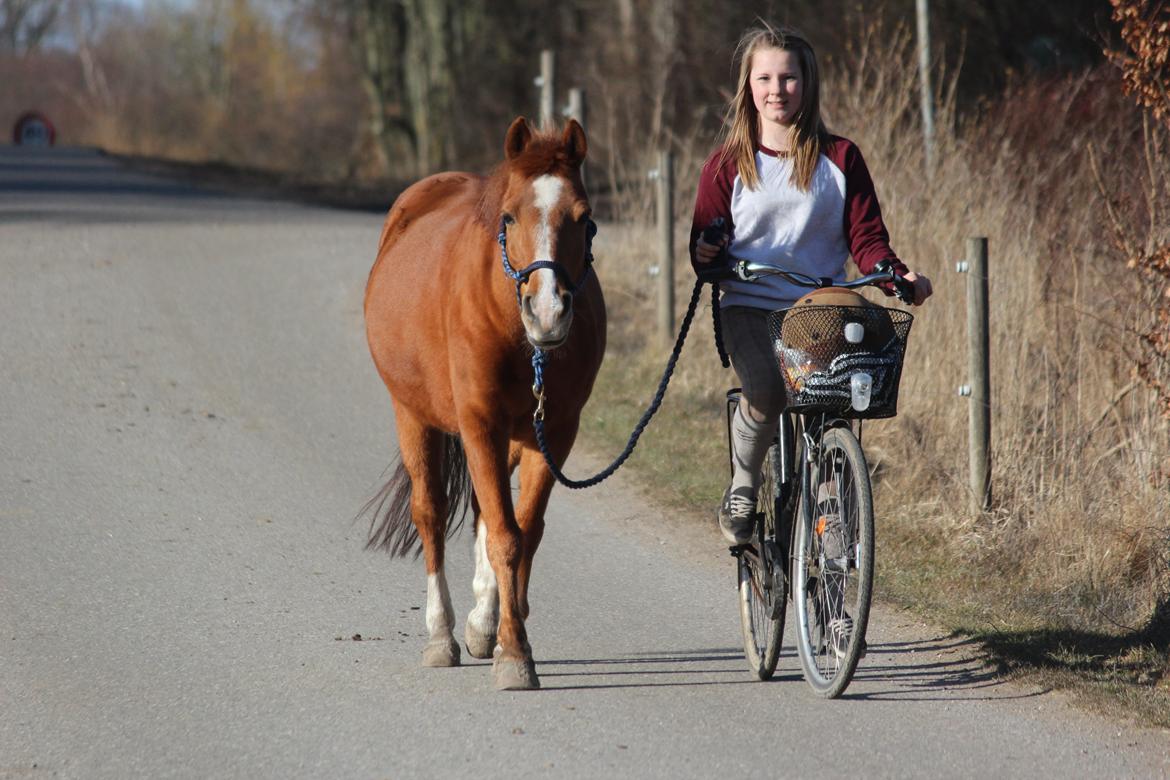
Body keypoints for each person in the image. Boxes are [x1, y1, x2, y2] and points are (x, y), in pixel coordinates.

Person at [690, 24, 933, 548]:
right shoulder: (727, 164)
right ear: (748, 86)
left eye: (789, 77)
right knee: (768, 389)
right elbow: (703, 245)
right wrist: (708, 253)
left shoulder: (840, 158)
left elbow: (867, 239)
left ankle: (831, 535)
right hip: (750, 307)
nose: (777, 89)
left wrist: (897, 275)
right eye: (765, 78)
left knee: (831, 405)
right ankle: (744, 483)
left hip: (820, 312)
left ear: (808, 82)